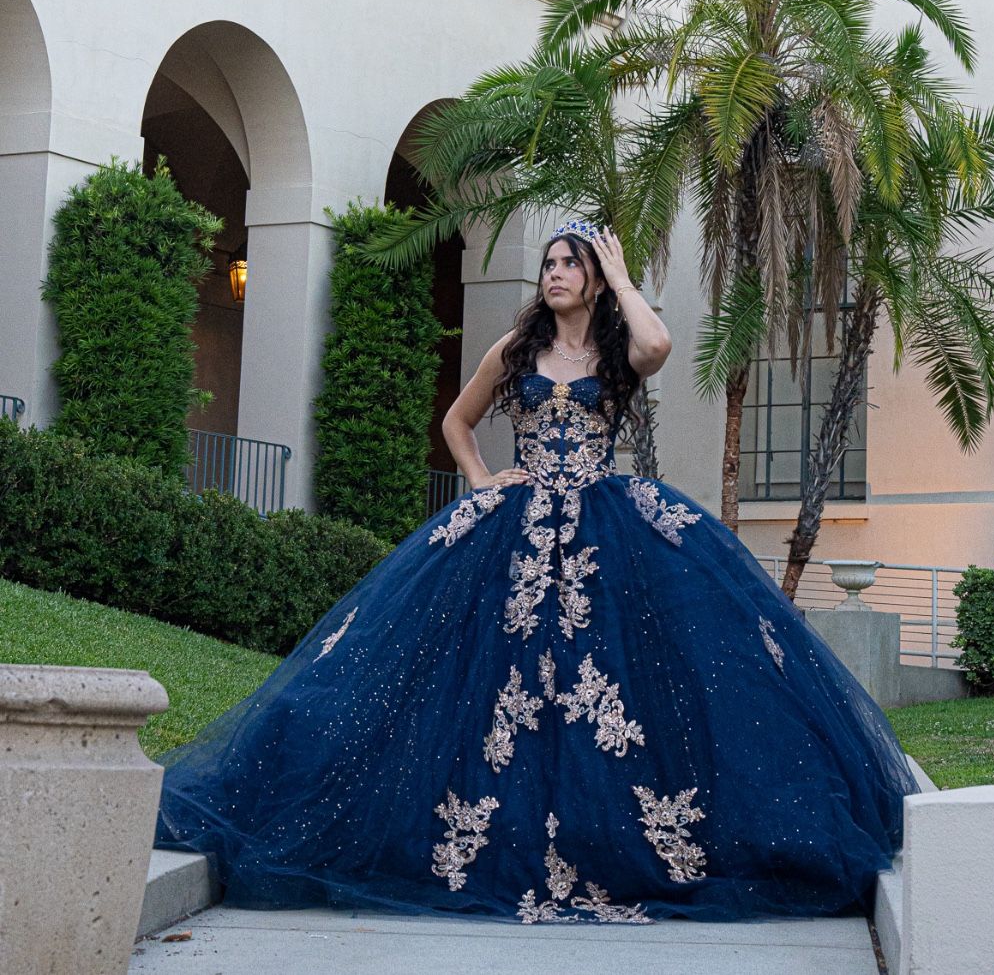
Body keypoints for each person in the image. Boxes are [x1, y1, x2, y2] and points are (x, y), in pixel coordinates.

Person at [156, 217, 917, 924]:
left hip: (604, 532)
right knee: (472, 686)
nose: (554, 272)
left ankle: (607, 843)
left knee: (616, 685)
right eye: (550, 261)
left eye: (569, 263)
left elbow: (657, 348)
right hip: (510, 535)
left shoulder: (617, 351)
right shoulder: (517, 347)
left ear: (591, 279)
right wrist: (484, 478)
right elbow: (457, 419)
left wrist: (620, 275)